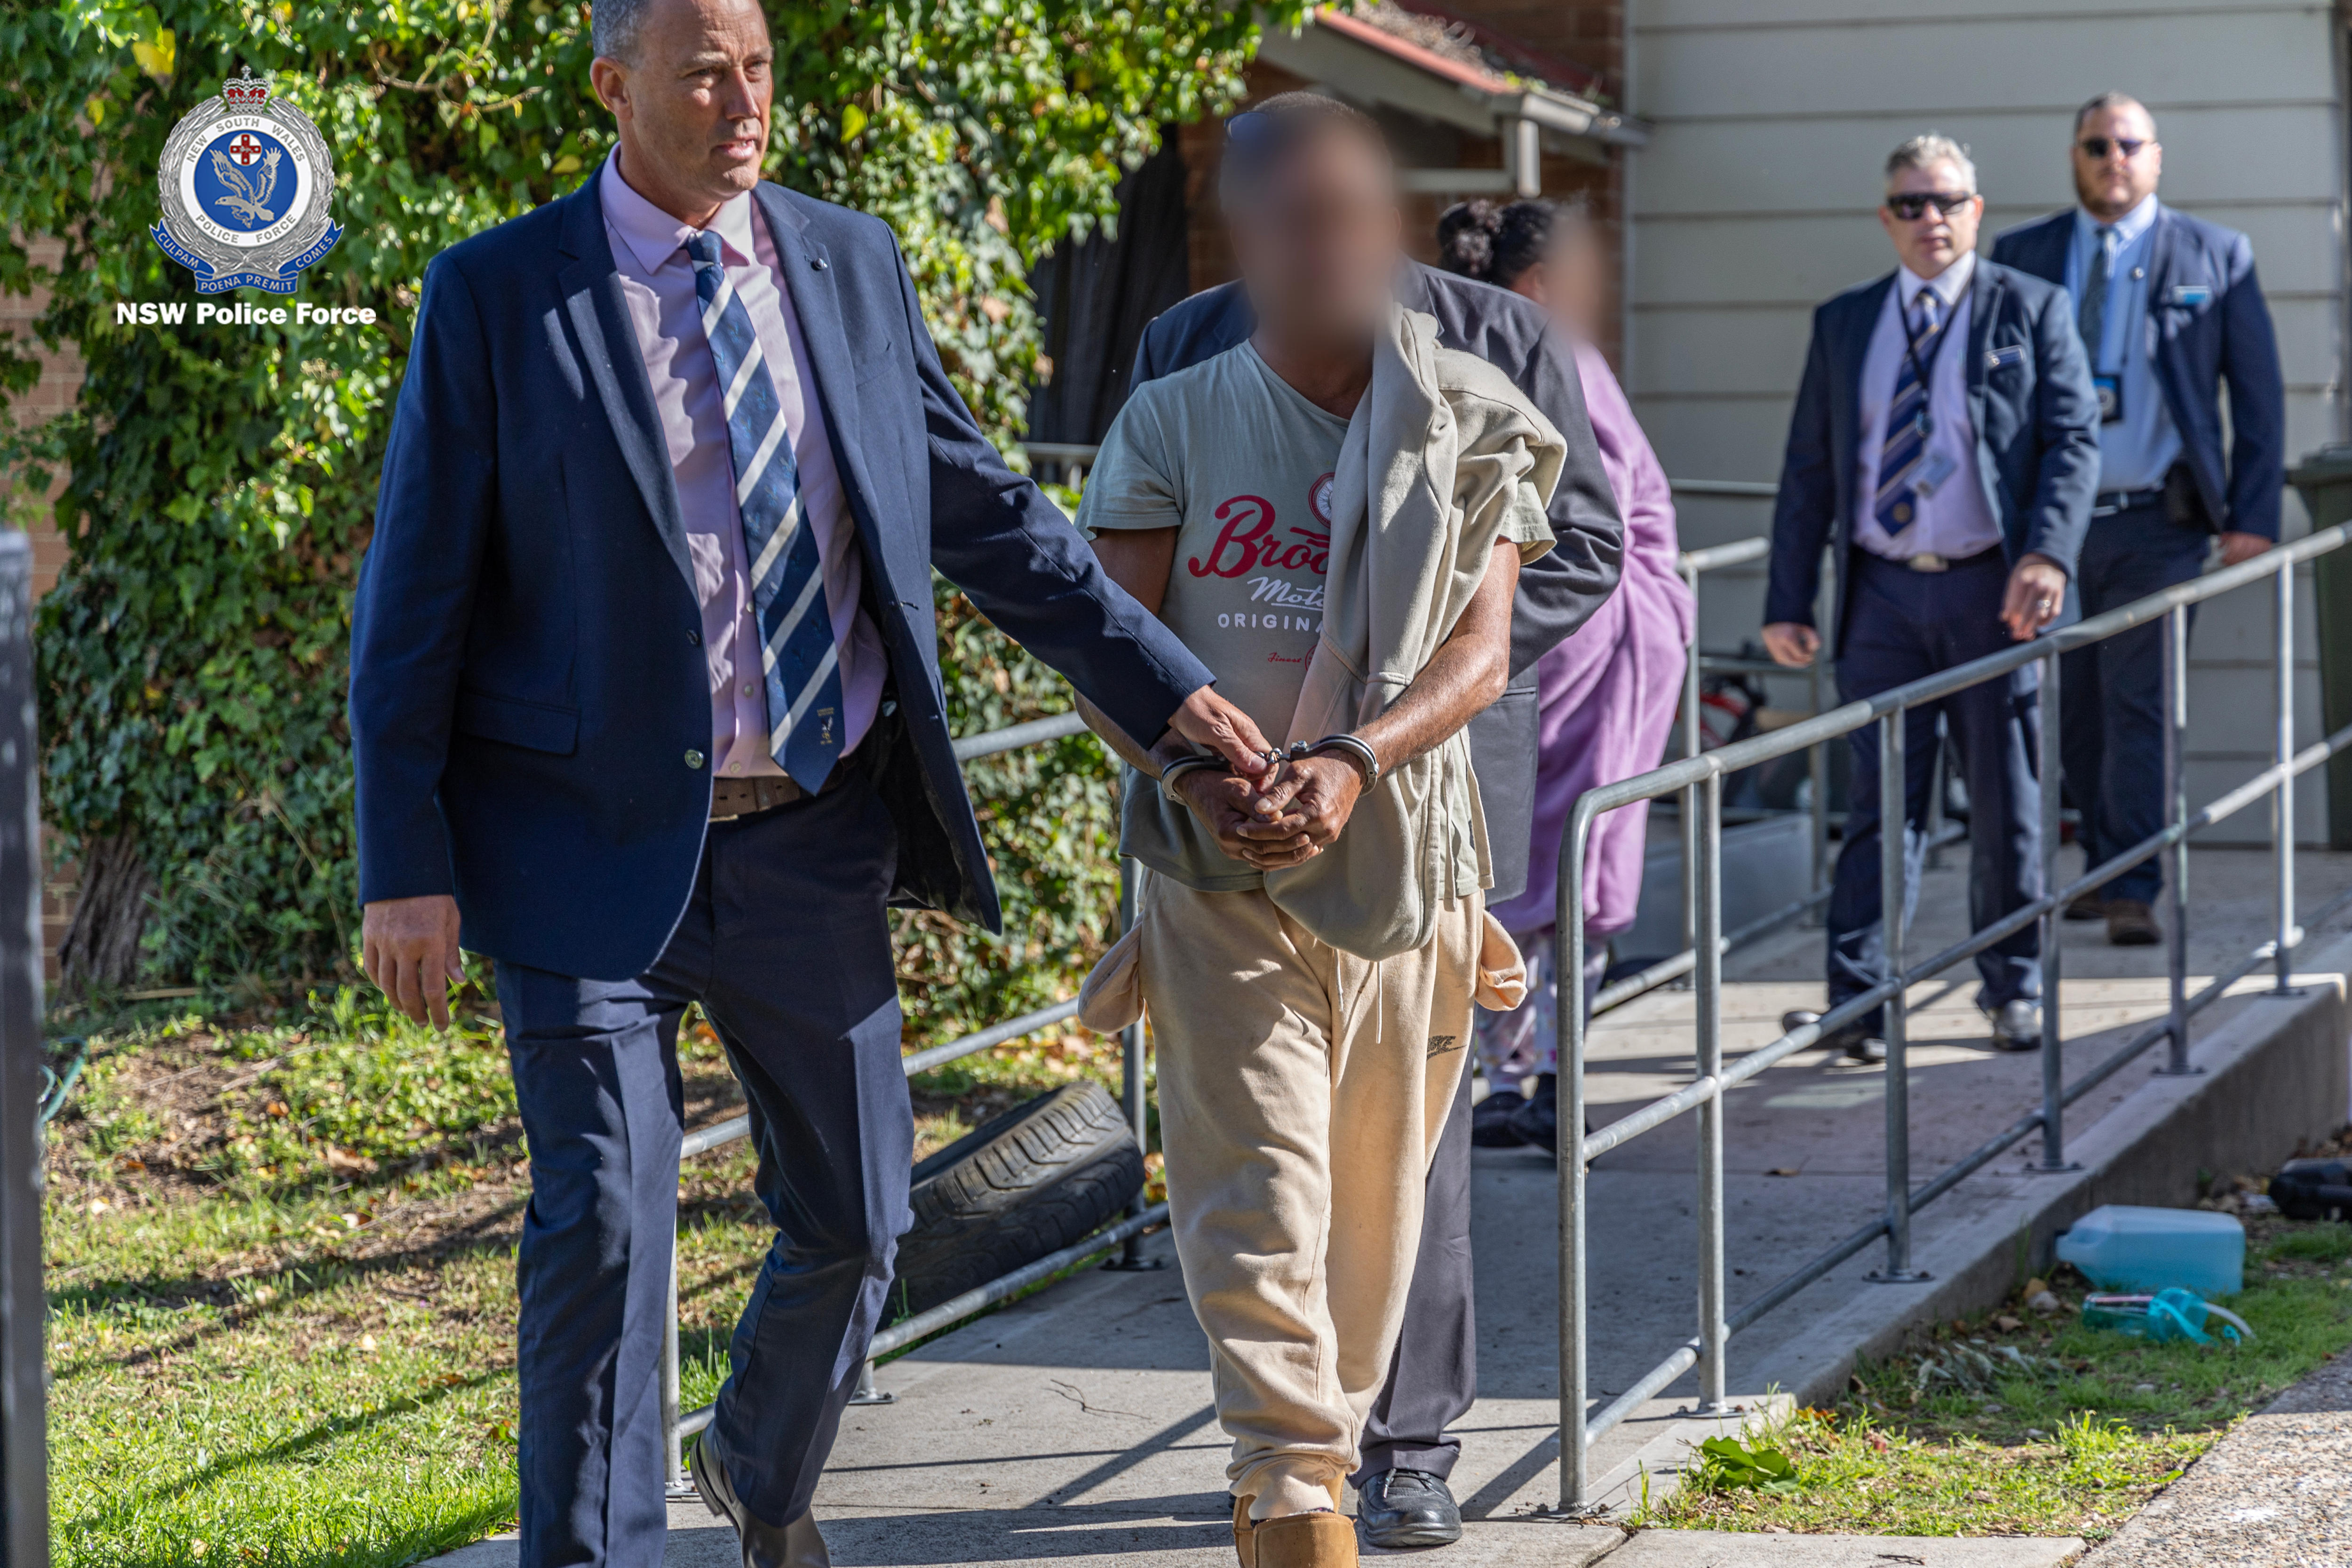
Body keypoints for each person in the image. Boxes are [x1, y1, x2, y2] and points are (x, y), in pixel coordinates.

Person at [347, 0, 1279, 1561]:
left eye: (760, 66)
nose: (741, 98)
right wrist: (404, 858)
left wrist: (1176, 697)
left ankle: (760, 1471)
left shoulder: (841, 261)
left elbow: (991, 518)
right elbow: (414, 597)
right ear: (613, 85)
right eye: (705, 68)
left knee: (860, 1222)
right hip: (580, 853)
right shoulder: (503, 297)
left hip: (812, 835)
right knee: (607, 1223)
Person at [1071, 95, 1558, 1568]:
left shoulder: (1474, 412)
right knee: (1258, 1194)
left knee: (1372, 1233)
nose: (1326, 243)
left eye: (1351, 212)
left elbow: (1482, 653)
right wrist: (1199, 771)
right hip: (1220, 870)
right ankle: (1292, 1494)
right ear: (1247, 239)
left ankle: (1311, 1464)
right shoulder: (1173, 414)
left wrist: (1352, 757)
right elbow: (1114, 640)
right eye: (1294, 218)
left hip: (1406, 861)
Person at [1764, 135, 2098, 1060]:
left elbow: (2073, 442)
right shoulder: (1844, 322)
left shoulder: (2029, 308)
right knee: (1879, 804)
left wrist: (2047, 553)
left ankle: (2014, 987)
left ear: (1975, 210)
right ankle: (1859, 1000)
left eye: (1946, 201)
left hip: (1993, 589)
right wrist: (1787, 599)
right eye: (1910, 205)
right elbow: (1808, 470)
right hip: (1879, 595)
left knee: (2006, 801)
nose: (1930, 220)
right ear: (1886, 219)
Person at [1992, 92, 2286, 947]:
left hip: (2162, 519)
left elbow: (2258, 397)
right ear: (2075, 156)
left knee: (2142, 701)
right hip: (2054, 527)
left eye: (2128, 144)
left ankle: (2135, 881)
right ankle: (2105, 859)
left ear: (2155, 157)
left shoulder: (2215, 255)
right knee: (2074, 706)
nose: (2112, 158)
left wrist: (2254, 513)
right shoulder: (2024, 255)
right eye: (2096, 145)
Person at [1433, 198, 1695, 1152]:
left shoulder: (1463, 345)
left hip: (1532, 629)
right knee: (1567, 870)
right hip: (1577, 627)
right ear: (1542, 280)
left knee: (1510, 867)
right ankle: (1547, 1074)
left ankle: (1519, 1075)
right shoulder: (1546, 349)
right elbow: (1620, 508)